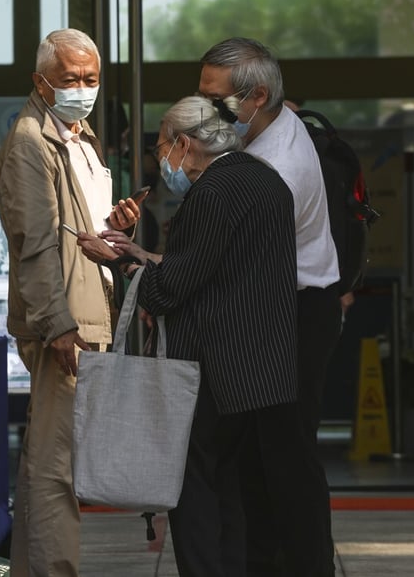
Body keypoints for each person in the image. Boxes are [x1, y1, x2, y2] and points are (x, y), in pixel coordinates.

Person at [77, 95, 334, 577]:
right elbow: (219, 270)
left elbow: (170, 291)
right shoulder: (264, 181)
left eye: (161, 149)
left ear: (185, 143)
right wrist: (140, 250)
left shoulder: (212, 193)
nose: (162, 162)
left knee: (193, 487)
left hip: (210, 368)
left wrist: (113, 260)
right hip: (258, 366)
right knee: (231, 487)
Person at [0, 28, 139, 577]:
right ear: (40, 82)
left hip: (86, 309)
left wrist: (118, 226)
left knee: (49, 459)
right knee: (57, 465)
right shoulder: (32, 140)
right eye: (70, 79)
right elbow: (35, 241)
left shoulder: (80, 136)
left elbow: (80, 230)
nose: (82, 88)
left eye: (91, 79)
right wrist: (57, 324)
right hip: (66, 321)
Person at [196, 37, 337, 575]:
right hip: (285, 305)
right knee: (259, 458)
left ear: (256, 96)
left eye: (217, 99)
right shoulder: (274, 125)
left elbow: (224, 261)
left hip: (291, 315)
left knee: (286, 460)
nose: (207, 109)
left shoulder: (274, 167)